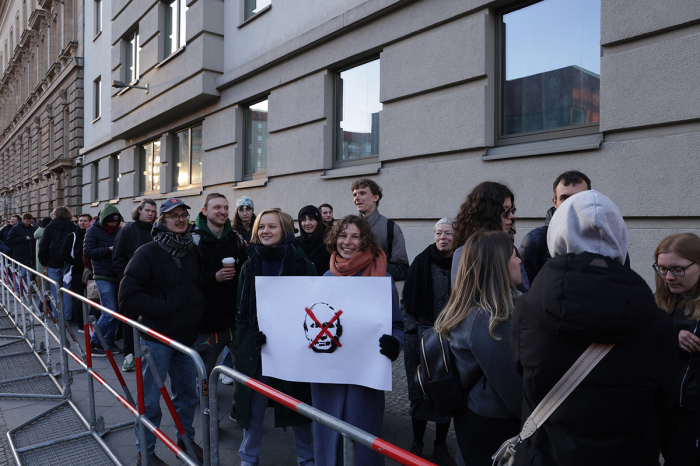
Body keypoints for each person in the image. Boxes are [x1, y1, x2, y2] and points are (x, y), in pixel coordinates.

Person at [510, 190, 678, 466]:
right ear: (620, 238)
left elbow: (524, 377)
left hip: (548, 454)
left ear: (557, 235)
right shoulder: (656, 319)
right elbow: (665, 401)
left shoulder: (528, 309)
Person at [311, 215, 404, 466]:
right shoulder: (324, 279)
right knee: (328, 444)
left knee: (362, 446)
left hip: (364, 381)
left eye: (355, 236)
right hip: (328, 381)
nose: (347, 242)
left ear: (365, 240)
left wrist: (395, 343)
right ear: (334, 239)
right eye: (342, 235)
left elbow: (397, 326)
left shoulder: (382, 280)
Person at [119, 198, 204, 466]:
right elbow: (128, 297)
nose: (180, 219)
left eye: (183, 215)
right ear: (162, 221)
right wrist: (166, 308)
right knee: (151, 401)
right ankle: (145, 452)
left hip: (186, 340)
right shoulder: (147, 252)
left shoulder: (191, 250)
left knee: (187, 397)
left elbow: (196, 285)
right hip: (157, 339)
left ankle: (186, 439)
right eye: (173, 215)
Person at [234, 208, 315, 466]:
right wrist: (250, 337)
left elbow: (315, 309)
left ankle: (308, 459)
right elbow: (240, 313)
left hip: (293, 351)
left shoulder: (303, 263)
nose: (265, 231)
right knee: (253, 409)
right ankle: (248, 458)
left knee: (298, 407)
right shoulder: (249, 264)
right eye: (262, 227)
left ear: (285, 230)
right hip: (258, 351)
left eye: (272, 227)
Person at [402, 218, 457, 465]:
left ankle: (440, 445)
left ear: (456, 236)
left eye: (447, 233)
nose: (442, 237)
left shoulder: (462, 263)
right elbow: (406, 304)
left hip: (452, 339)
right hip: (422, 338)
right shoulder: (421, 262)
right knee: (419, 392)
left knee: (447, 392)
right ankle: (416, 442)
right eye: (438, 233)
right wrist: (412, 333)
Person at [654, 233, 700, 465]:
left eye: (678, 269)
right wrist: (670, 335)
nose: (669, 277)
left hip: (693, 411)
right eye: (662, 269)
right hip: (664, 407)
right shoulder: (659, 302)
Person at [191, 193, 246, 382]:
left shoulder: (237, 239)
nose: (223, 212)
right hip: (207, 320)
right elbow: (187, 279)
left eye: (225, 207)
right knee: (204, 370)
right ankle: (205, 406)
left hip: (234, 318)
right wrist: (214, 277)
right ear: (204, 211)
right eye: (217, 207)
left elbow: (243, 274)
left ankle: (238, 409)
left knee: (244, 367)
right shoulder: (192, 240)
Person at [451, 182, 529, 292]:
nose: (511, 216)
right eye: (505, 211)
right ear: (487, 213)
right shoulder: (465, 253)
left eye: (512, 210)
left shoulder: (509, 248)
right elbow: (467, 302)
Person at [518, 171, 591, 285]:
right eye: (565, 198)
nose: (570, 204)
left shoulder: (607, 238)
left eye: (578, 198)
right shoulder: (535, 241)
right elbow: (526, 294)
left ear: (590, 200)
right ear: (555, 202)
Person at [112, 199, 157, 371]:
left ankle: (148, 353)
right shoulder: (127, 231)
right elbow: (117, 257)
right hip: (132, 283)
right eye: (147, 210)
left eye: (153, 211)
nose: (150, 214)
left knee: (150, 319)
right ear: (139, 211)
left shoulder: (157, 231)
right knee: (130, 319)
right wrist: (127, 279)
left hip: (153, 284)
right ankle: (129, 354)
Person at [84, 203, 124, 355]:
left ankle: (108, 341)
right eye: (110, 221)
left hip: (117, 274)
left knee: (117, 311)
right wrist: (109, 250)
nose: (113, 224)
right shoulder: (93, 229)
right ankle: (94, 342)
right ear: (103, 220)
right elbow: (88, 252)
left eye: (116, 221)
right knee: (109, 312)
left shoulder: (119, 230)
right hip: (102, 275)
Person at [351, 178, 409, 281]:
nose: (357, 198)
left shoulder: (391, 228)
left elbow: (402, 269)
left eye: (362, 193)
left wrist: (369, 265)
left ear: (375, 197)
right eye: (355, 195)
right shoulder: (348, 228)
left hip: (379, 290)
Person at [39, 206, 77, 320]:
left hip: (53, 262)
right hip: (68, 263)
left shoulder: (49, 227)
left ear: (55, 214)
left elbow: (43, 245)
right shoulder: (72, 226)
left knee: (55, 291)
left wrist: (43, 261)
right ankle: (67, 317)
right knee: (67, 291)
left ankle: (57, 317)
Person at [60, 213, 92, 328]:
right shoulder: (72, 236)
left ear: (90, 222)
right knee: (78, 299)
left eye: (85, 221)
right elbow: (64, 254)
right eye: (80, 221)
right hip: (76, 272)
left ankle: (92, 324)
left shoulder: (93, 235)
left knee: (93, 298)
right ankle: (81, 324)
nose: (82, 223)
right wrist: (78, 262)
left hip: (91, 273)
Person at [6, 213, 38, 292]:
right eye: (26, 221)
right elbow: (10, 239)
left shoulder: (33, 229)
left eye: (29, 221)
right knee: (21, 274)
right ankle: (18, 290)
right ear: (23, 219)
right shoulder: (15, 228)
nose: (28, 223)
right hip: (21, 255)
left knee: (30, 274)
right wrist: (24, 238)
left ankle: (26, 290)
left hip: (31, 255)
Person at [296, 205, 331, 275]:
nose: (307, 223)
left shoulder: (327, 244)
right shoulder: (295, 243)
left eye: (311, 219)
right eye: (303, 220)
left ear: (318, 222)